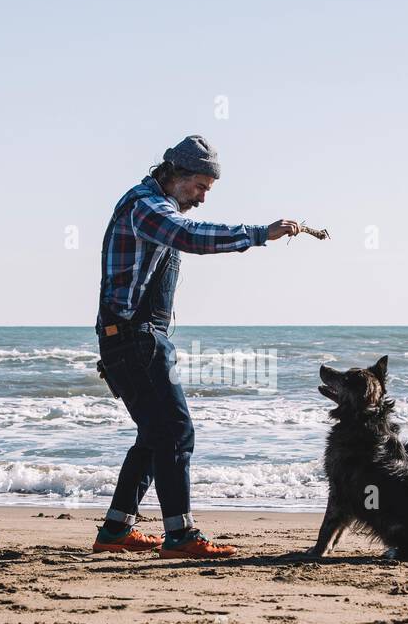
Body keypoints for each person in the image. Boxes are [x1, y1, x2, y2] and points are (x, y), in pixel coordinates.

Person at [92, 135, 301, 558]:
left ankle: (115, 532)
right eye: (201, 187)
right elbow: (188, 236)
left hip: (133, 339)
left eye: (209, 189)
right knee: (175, 431)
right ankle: (181, 535)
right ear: (176, 174)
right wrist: (259, 234)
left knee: (154, 436)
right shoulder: (145, 206)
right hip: (134, 338)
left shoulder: (153, 204)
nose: (203, 197)